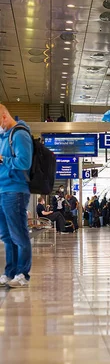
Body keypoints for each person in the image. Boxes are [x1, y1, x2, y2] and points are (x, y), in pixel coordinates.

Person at [0, 105, 33, 288]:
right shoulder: (2, 137)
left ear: (4, 117)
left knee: (19, 234)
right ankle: (9, 272)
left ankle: (22, 274)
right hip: (2, 189)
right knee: (6, 235)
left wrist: (2, 159)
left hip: (15, 190)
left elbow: (24, 162)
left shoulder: (19, 134)